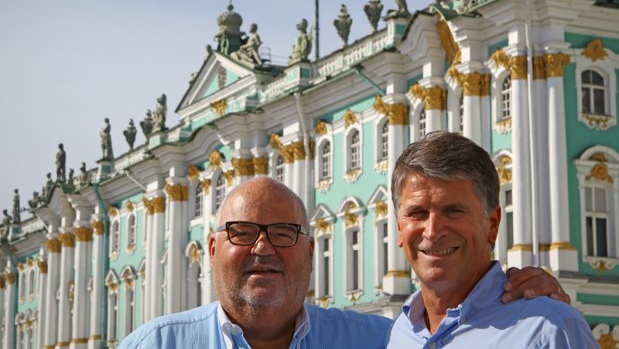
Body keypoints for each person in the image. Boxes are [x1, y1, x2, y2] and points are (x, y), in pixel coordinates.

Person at [121, 177, 568, 349]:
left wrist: (532, 303)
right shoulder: (155, 346)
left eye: (284, 233)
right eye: (242, 232)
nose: (264, 248)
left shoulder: (383, 342)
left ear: (311, 253)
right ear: (213, 251)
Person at [386, 131, 597, 348]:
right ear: (399, 227)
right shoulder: (398, 333)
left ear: (493, 223)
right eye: (417, 212)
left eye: (454, 211)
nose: (432, 232)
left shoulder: (549, 328)